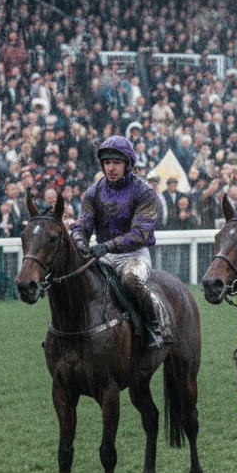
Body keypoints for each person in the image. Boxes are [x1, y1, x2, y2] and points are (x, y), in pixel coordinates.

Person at [69, 135, 164, 349]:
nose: (110, 168)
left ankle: (153, 328)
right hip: (102, 254)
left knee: (131, 280)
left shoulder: (144, 192)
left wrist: (107, 246)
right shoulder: (93, 192)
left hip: (133, 255)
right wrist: (80, 243)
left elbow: (139, 234)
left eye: (116, 163)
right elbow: (82, 224)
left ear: (128, 164)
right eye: (107, 163)